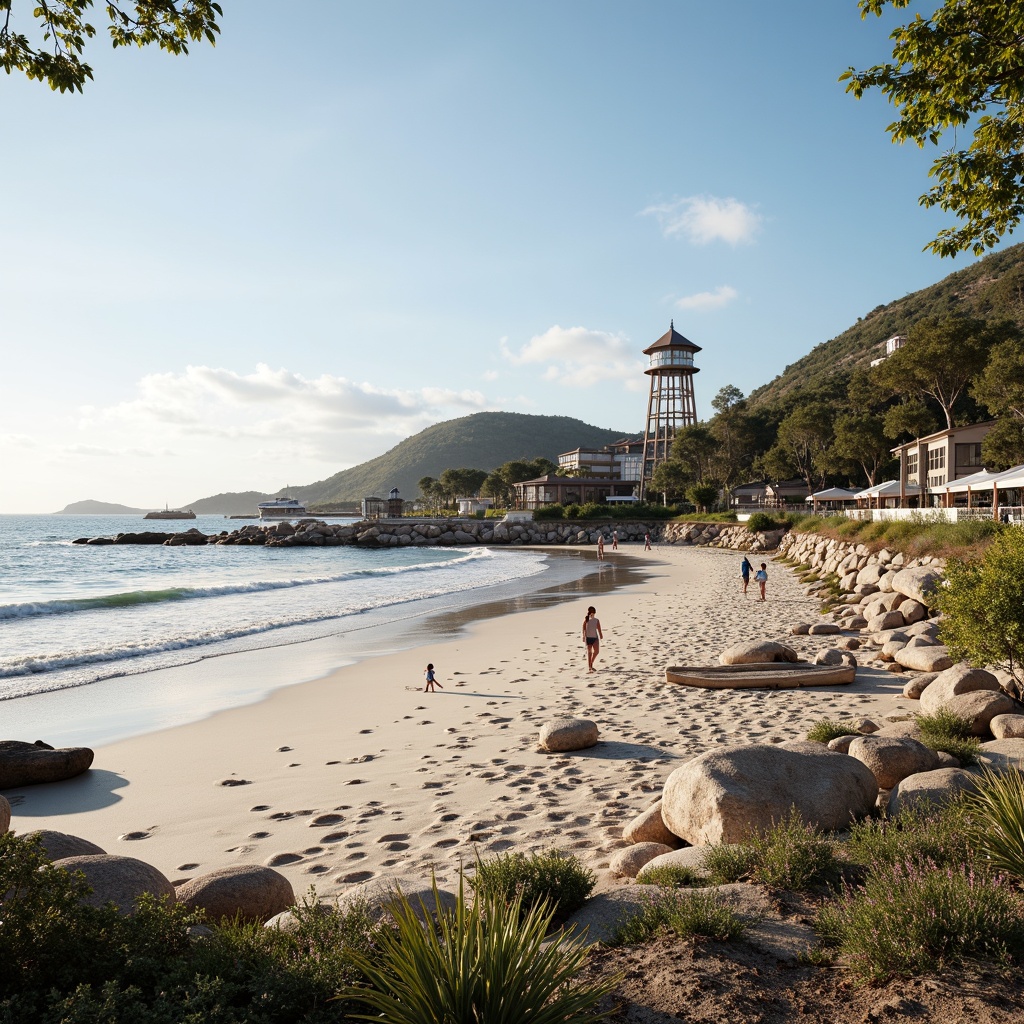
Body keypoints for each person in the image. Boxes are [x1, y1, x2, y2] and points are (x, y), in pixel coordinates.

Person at [582, 606, 603, 672]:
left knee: (596, 651)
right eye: (591, 612)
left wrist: (601, 635)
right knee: (589, 652)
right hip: (588, 638)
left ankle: (591, 663)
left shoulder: (596, 620)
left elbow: (599, 629)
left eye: (593, 613)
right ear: (589, 612)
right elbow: (584, 628)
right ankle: (590, 667)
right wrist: (583, 636)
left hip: (595, 638)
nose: (592, 614)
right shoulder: (586, 620)